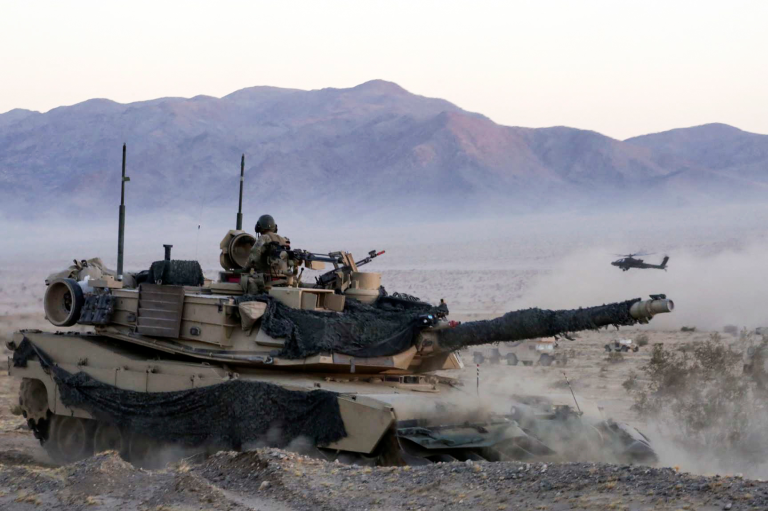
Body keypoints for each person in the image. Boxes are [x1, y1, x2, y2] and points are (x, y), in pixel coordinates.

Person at [243, 215, 292, 291]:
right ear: (274, 227)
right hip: (281, 277)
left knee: (246, 281)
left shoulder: (263, 238)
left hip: (264, 278)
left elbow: (254, 253)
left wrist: (246, 268)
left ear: (259, 227)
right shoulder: (283, 239)